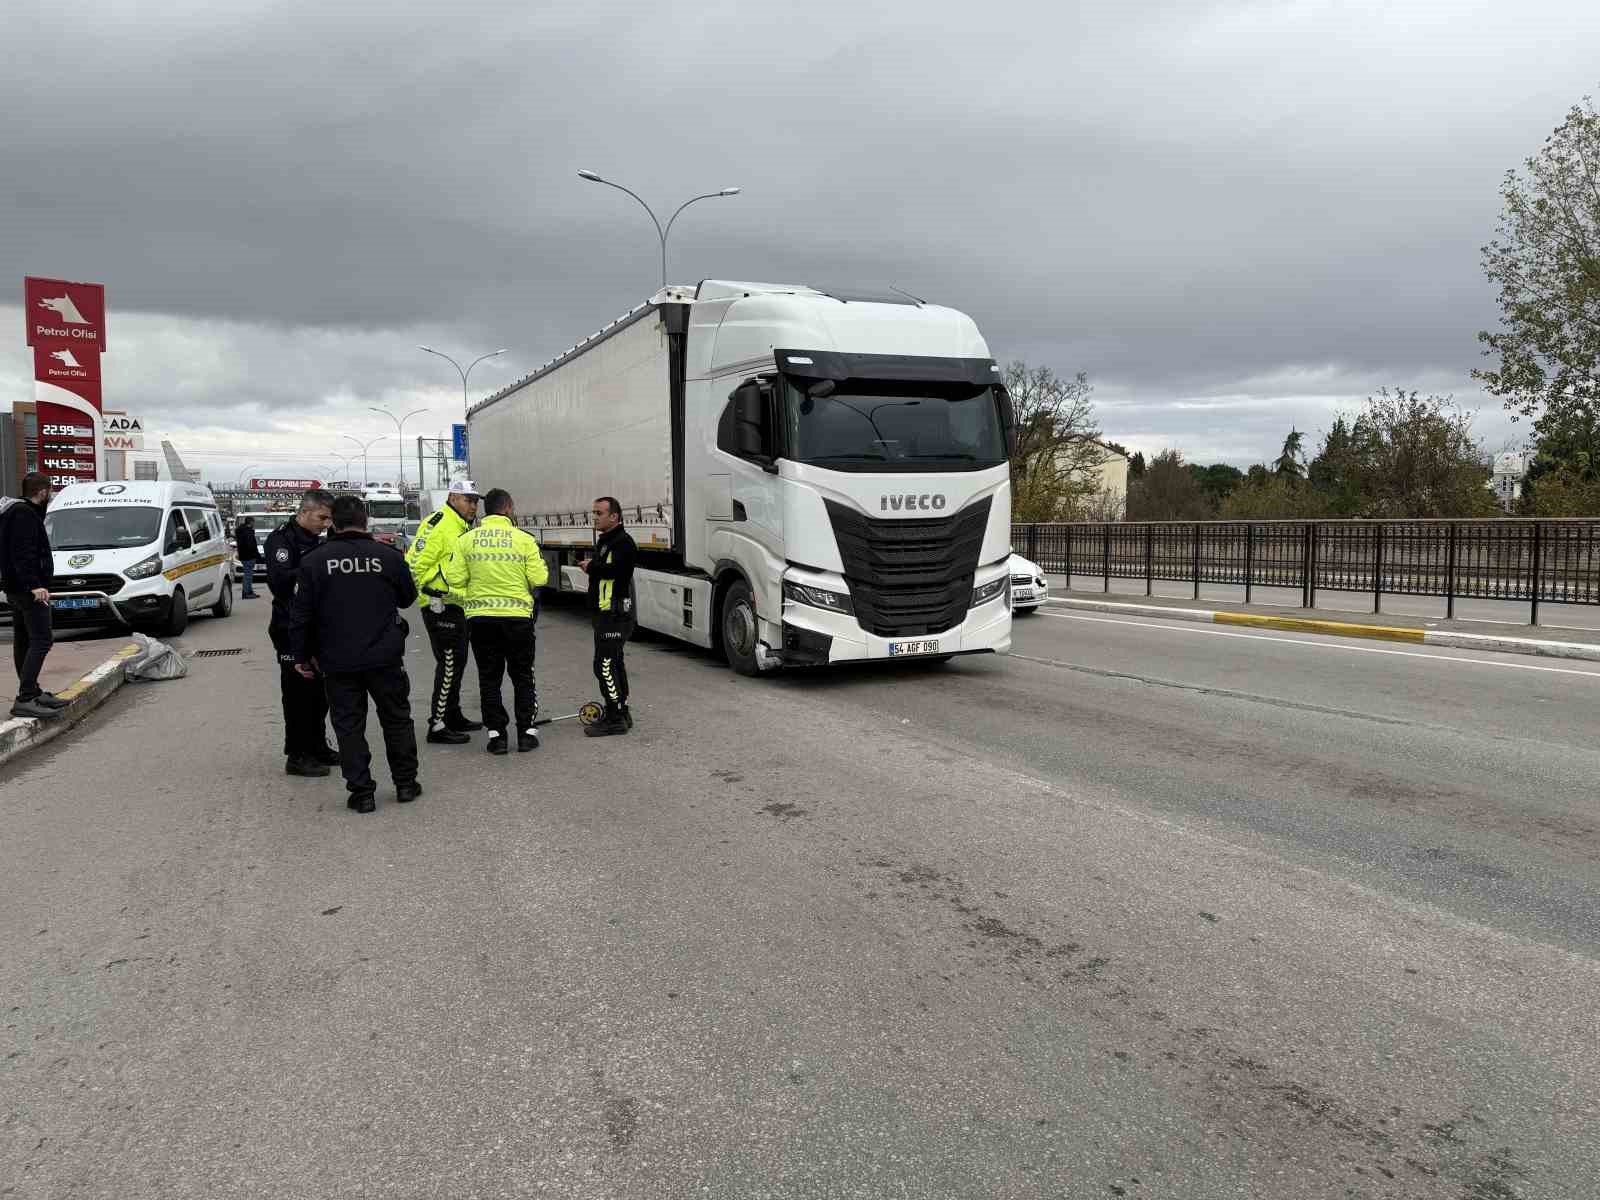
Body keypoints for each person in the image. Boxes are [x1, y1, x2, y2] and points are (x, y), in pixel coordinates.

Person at [289, 495, 420, 814]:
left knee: (348, 726)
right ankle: (405, 784)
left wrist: (300, 656)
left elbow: (301, 615)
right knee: (396, 719)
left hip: (337, 659)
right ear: (366, 521)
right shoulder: (388, 556)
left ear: (333, 521)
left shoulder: (315, 561)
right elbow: (407, 599)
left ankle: (362, 793)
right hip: (385, 657)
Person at [442, 488, 548, 755]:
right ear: (509, 508)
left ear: (485, 509)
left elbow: (453, 579)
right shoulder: (523, 539)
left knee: (489, 679)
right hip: (517, 620)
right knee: (523, 677)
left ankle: (497, 736)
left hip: (481, 621)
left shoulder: (467, 539)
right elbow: (539, 579)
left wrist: (475, 592)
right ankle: (526, 734)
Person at [264, 488, 339, 777]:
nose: (326, 524)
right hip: (290, 629)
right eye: (322, 517)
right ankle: (297, 754)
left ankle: (317, 746)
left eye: (329, 519)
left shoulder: (318, 540)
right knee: (297, 695)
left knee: (319, 695)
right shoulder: (282, 541)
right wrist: (315, 575)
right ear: (305, 511)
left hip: (318, 627)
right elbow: (282, 585)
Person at [404, 479, 483, 745]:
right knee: (450, 663)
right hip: (440, 604)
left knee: (457, 662)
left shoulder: (461, 525)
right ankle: (437, 725)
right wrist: (426, 597)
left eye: (475, 501)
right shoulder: (438, 524)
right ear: (453, 498)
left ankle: (452, 714)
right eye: (468, 500)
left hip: (457, 603)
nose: (473, 506)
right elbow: (413, 565)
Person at [0, 473, 69, 720]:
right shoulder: (24, 514)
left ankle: (32, 691)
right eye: (49, 491)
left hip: (15, 588)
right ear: (42, 491)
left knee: (25, 640)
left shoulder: (16, 511)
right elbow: (22, 552)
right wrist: (34, 585)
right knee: (42, 640)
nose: (49, 495)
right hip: (28, 589)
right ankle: (26, 697)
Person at [580, 496, 637, 737]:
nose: (595, 517)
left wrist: (591, 567)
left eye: (599, 513)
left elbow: (620, 572)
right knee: (614, 663)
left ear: (614, 516)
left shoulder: (623, 542)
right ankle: (622, 711)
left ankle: (615, 719)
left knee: (604, 666)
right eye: (594, 512)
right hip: (605, 614)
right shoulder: (606, 541)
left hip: (614, 615)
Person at [233, 515, 260, 599]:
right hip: (249, 556)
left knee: (248, 574)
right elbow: (251, 545)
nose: (254, 524)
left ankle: (249, 591)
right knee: (248, 575)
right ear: (251, 522)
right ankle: (246, 593)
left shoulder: (242, 530)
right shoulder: (248, 532)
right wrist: (257, 555)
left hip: (244, 556)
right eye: (253, 522)